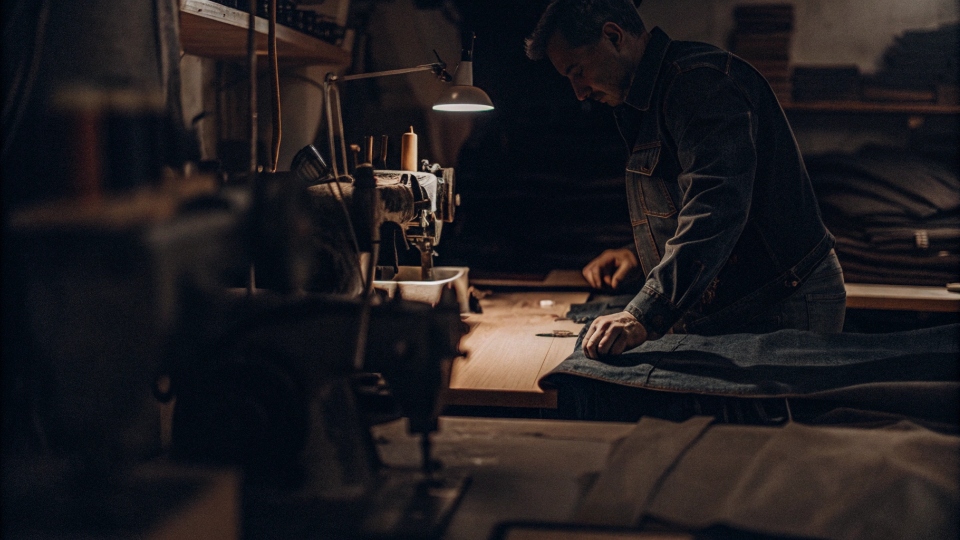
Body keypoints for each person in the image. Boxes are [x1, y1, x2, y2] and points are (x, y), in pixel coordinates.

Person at [525, 0, 846, 360]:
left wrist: (642, 313)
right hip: (745, 300)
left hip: (781, 301)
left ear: (613, 37)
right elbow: (688, 198)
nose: (579, 92)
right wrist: (637, 255)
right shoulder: (649, 96)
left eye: (577, 71)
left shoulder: (699, 83)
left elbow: (716, 207)